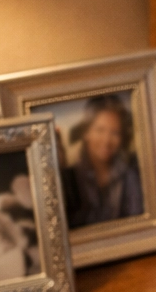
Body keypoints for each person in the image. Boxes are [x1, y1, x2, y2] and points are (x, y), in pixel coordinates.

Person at [62, 94, 144, 228]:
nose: (106, 141)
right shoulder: (68, 179)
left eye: (115, 132)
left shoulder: (131, 175)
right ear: (86, 132)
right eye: (100, 130)